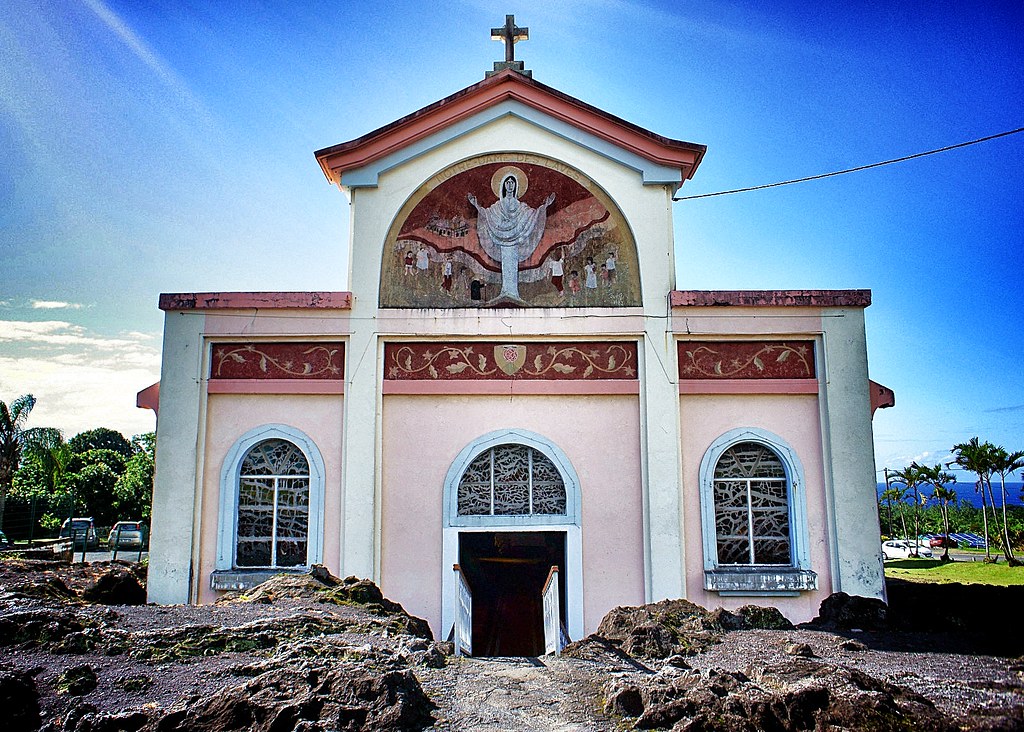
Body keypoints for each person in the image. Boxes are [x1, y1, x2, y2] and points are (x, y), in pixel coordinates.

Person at [468, 174, 554, 301]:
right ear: (503, 185)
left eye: (512, 182)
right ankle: (505, 291)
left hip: (514, 242)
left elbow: (532, 215)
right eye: (507, 182)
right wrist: (476, 205)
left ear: (516, 186)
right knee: (506, 267)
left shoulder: (521, 206)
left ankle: (513, 293)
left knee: (512, 267)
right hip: (502, 240)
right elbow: (487, 215)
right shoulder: (498, 205)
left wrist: (545, 206)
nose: (510, 185)